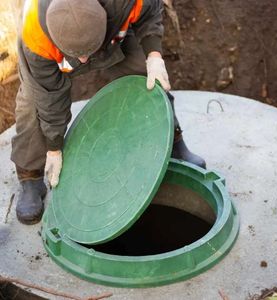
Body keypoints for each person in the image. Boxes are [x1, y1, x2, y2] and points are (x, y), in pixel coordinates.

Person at [11, 0, 206, 225]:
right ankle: (30, 177)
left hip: (111, 38)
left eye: (87, 54)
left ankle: (172, 140)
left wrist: (154, 55)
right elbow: (49, 98)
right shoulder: (35, 35)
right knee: (33, 106)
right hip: (53, 55)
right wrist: (54, 147)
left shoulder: (125, 2)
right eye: (79, 56)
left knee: (146, 77)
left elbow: (150, 12)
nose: (83, 62)